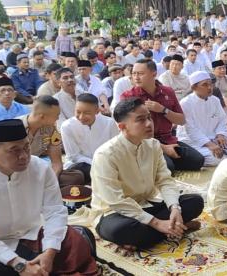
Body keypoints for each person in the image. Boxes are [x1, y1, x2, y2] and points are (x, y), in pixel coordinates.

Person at [91, 97, 204, 249]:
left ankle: (154, 234)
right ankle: (173, 228)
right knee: (120, 230)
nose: (149, 124)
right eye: (140, 120)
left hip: (146, 204)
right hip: (116, 212)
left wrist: (174, 209)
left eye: (149, 117)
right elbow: (116, 201)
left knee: (195, 202)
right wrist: (156, 223)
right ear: (122, 126)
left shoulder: (153, 145)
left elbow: (165, 180)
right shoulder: (105, 155)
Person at [0, 119, 98, 275]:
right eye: (14, 150)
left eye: (26, 147)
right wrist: (18, 264)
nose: (23, 156)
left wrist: (50, 251)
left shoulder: (39, 167)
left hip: (33, 235)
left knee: (81, 238)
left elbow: (54, 210)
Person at [121, 59, 204, 172]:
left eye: (140, 73)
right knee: (168, 168)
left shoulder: (167, 92)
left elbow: (181, 120)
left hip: (168, 138)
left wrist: (163, 110)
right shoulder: (129, 96)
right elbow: (130, 132)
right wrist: (164, 149)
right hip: (144, 143)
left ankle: (159, 162)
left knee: (197, 161)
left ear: (154, 74)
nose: (136, 77)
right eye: (134, 73)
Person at [18, 95, 85, 187]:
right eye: (56, 116)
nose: (58, 119)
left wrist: (53, 181)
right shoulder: (16, 127)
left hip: (36, 169)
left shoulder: (52, 129)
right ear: (42, 117)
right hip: (15, 171)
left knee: (77, 177)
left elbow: (56, 163)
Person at [61, 94, 119, 184]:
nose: (81, 117)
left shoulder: (110, 124)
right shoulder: (67, 126)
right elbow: (73, 156)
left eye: (87, 113)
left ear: (97, 111)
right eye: (78, 112)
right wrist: (96, 164)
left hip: (106, 164)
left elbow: (115, 149)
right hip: (81, 165)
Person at [177, 71, 227, 166]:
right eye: (205, 85)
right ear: (194, 88)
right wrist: (210, 144)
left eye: (210, 84)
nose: (210, 87)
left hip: (214, 138)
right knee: (216, 159)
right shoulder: (186, 103)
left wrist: (220, 134)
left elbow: (222, 120)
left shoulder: (215, 100)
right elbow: (191, 130)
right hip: (192, 142)